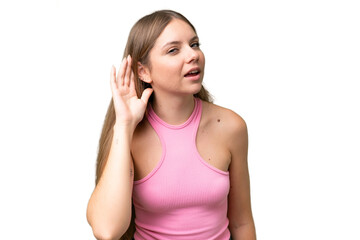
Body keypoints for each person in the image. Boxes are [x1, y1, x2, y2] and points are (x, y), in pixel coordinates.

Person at [86, 10, 256, 240]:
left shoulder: (230, 127)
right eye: (173, 50)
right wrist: (124, 126)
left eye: (194, 44)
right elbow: (107, 230)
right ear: (143, 71)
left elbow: (242, 222)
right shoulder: (130, 136)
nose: (193, 55)